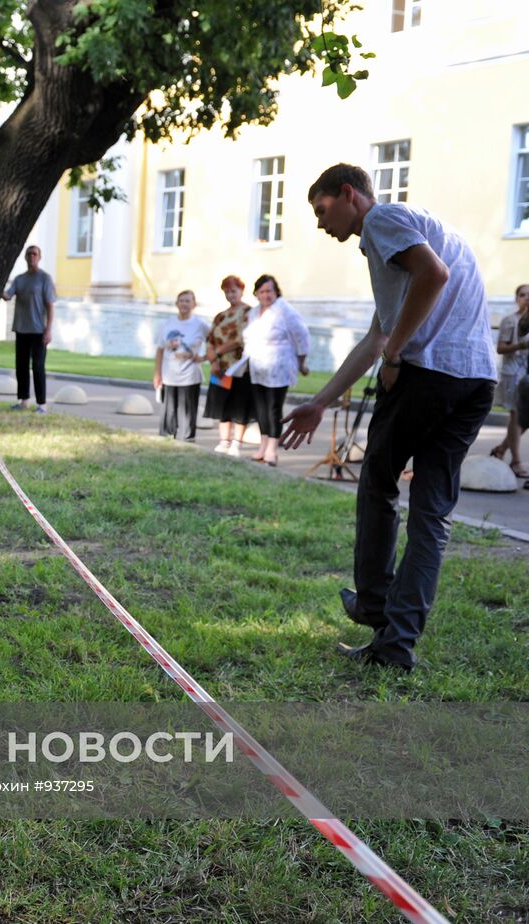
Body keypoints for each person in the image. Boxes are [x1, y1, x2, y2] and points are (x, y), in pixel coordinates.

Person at [283, 163, 498, 672]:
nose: (320, 224)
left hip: (426, 376)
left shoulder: (382, 221)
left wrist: (397, 356)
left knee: (377, 484)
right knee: (431, 517)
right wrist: (321, 401)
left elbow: (433, 277)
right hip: (476, 381)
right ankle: (394, 647)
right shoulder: (413, 230)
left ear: (348, 194)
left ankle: (374, 604)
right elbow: (376, 335)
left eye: (321, 210)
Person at [244, 274, 309, 466]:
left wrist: (302, 362)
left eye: (269, 291)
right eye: (262, 291)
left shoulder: (285, 310)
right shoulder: (254, 312)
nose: (266, 295)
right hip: (257, 367)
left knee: (273, 408)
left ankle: (272, 448)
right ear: (256, 293)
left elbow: (302, 336)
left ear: (276, 291)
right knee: (260, 408)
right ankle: (262, 446)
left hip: (279, 367)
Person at [203, 275, 256, 457]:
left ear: (241, 290)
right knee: (222, 403)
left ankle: (236, 443)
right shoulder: (220, 316)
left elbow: (241, 338)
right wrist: (214, 360)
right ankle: (224, 441)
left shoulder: (249, 313)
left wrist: (218, 352)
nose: (230, 295)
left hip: (240, 367)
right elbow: (210, 339)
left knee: (239, 404)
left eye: (233, 291)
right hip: (221, 367)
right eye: (227, 292)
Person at [1, 244, 56, 413]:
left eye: (35, 254)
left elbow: (50, 306)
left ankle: (42, 404)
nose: (32, 257)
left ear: (39, 257)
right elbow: (7, 296)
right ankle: (23, 400)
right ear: (25, 258)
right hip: (21, 329)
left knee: (38, 367)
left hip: (38, 330)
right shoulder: (19, 279)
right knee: (21, 366)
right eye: (29, 254)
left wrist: (48, 330)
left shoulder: (44, 279)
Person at [152, 290, 209, 441]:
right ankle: (167, 439)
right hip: (169, 375)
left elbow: (214, 342)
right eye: (181, 301)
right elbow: (160, 350)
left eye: (187, 301)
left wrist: (203, 357)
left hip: (189, 376)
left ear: (194, 304)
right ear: (176, 304)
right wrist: (157, 374)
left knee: (188, 411)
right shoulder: (167, 323)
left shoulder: (200, 325)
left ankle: (187, 440)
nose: (184, 304)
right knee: (168, 412)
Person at [488, 283, 529, 477]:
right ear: (516, 299)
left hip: (526, 374)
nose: (527, 298)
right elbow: (501, 348)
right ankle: (516, 461)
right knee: (516, 415)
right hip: (513, 373)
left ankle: (502, 449)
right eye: (523, 295)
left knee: (524, 419)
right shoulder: (510, 320)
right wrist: (521, 344)